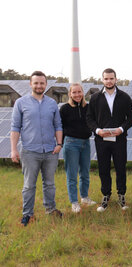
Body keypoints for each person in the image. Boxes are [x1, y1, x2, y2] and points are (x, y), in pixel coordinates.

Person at [11, 71, 63, 226]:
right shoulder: (21, 103)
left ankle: (50, 209)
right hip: (29, 152)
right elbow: (15, 127)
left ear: (46, 85)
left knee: (49, 184)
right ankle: (28, 214)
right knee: (29, 185)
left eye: (42, 83)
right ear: (30, 84)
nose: (39, 86)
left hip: (50, 151)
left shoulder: (52, 103)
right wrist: (13, 149)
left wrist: (59, 144)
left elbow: (58, 125)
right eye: (36, 83)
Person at [86, 68, 132, 212]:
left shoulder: (125, 97)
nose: (109, 81)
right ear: (102, 80)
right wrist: (98, 131)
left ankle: (121, 195)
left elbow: (131, 118)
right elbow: (89, 118)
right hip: (101, 141)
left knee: (121, 168)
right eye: (106, 79)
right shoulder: (95, 98)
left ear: (116, 79)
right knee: (103, 169)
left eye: (111, 78)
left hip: (119, 140)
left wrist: (122, 129)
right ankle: (106, 195)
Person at [60, 83, 96, 213]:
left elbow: (93, 122)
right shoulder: (64, 109)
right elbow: (60, 127)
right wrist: (61, 144)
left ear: (83, 93)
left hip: (85, 143)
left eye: (79, 92)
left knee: (85, 173)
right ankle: (74, 202)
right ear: (70, 94)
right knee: (72, 175)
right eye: (74, 92)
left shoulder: (88, 107)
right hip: (71, 144)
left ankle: (85, 197)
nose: (77, 95)